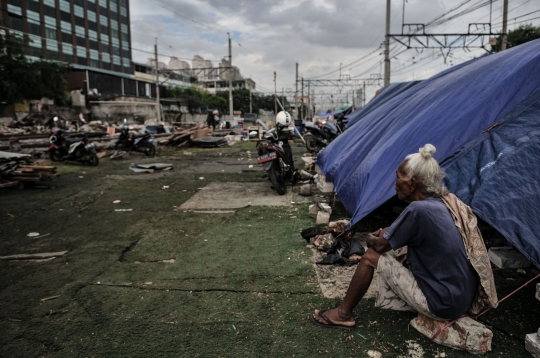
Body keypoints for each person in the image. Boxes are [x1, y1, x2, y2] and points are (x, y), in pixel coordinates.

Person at [311, 144, 498, 329]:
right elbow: (400, 231)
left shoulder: (418, 210)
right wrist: (388, 232)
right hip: (459, 300)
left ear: (412, 182)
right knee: (399, 247)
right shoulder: (441, 204)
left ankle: (343, 314)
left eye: (398, 177)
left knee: (369, 258)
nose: (395, 183)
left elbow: (379, 246)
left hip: (443, 305)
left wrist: (370, 237)